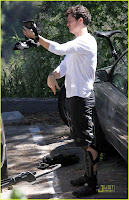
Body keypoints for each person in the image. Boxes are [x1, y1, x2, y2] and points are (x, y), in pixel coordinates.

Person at [23, 5, 98, 197]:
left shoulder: (86, 42)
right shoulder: (77, 43)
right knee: (82, 141)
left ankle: (92, 184)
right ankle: (87, 175)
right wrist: (53, 75)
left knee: (87, 143)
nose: (67, 23)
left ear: (81, 20)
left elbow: (58, 49)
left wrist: (37, 38)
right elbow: (63, 66)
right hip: (74, 99)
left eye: (70, 20)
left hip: (82, 99)